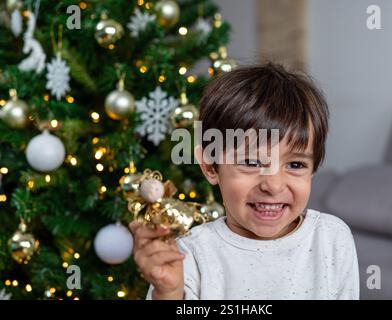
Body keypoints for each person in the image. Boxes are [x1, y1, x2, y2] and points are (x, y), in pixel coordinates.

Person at [129, 63, 360, 300]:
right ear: (210, 166)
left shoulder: (332, 238)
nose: (274, 185)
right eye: (250, 162)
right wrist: (168, 292)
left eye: (295, 165)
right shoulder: (189, 255)